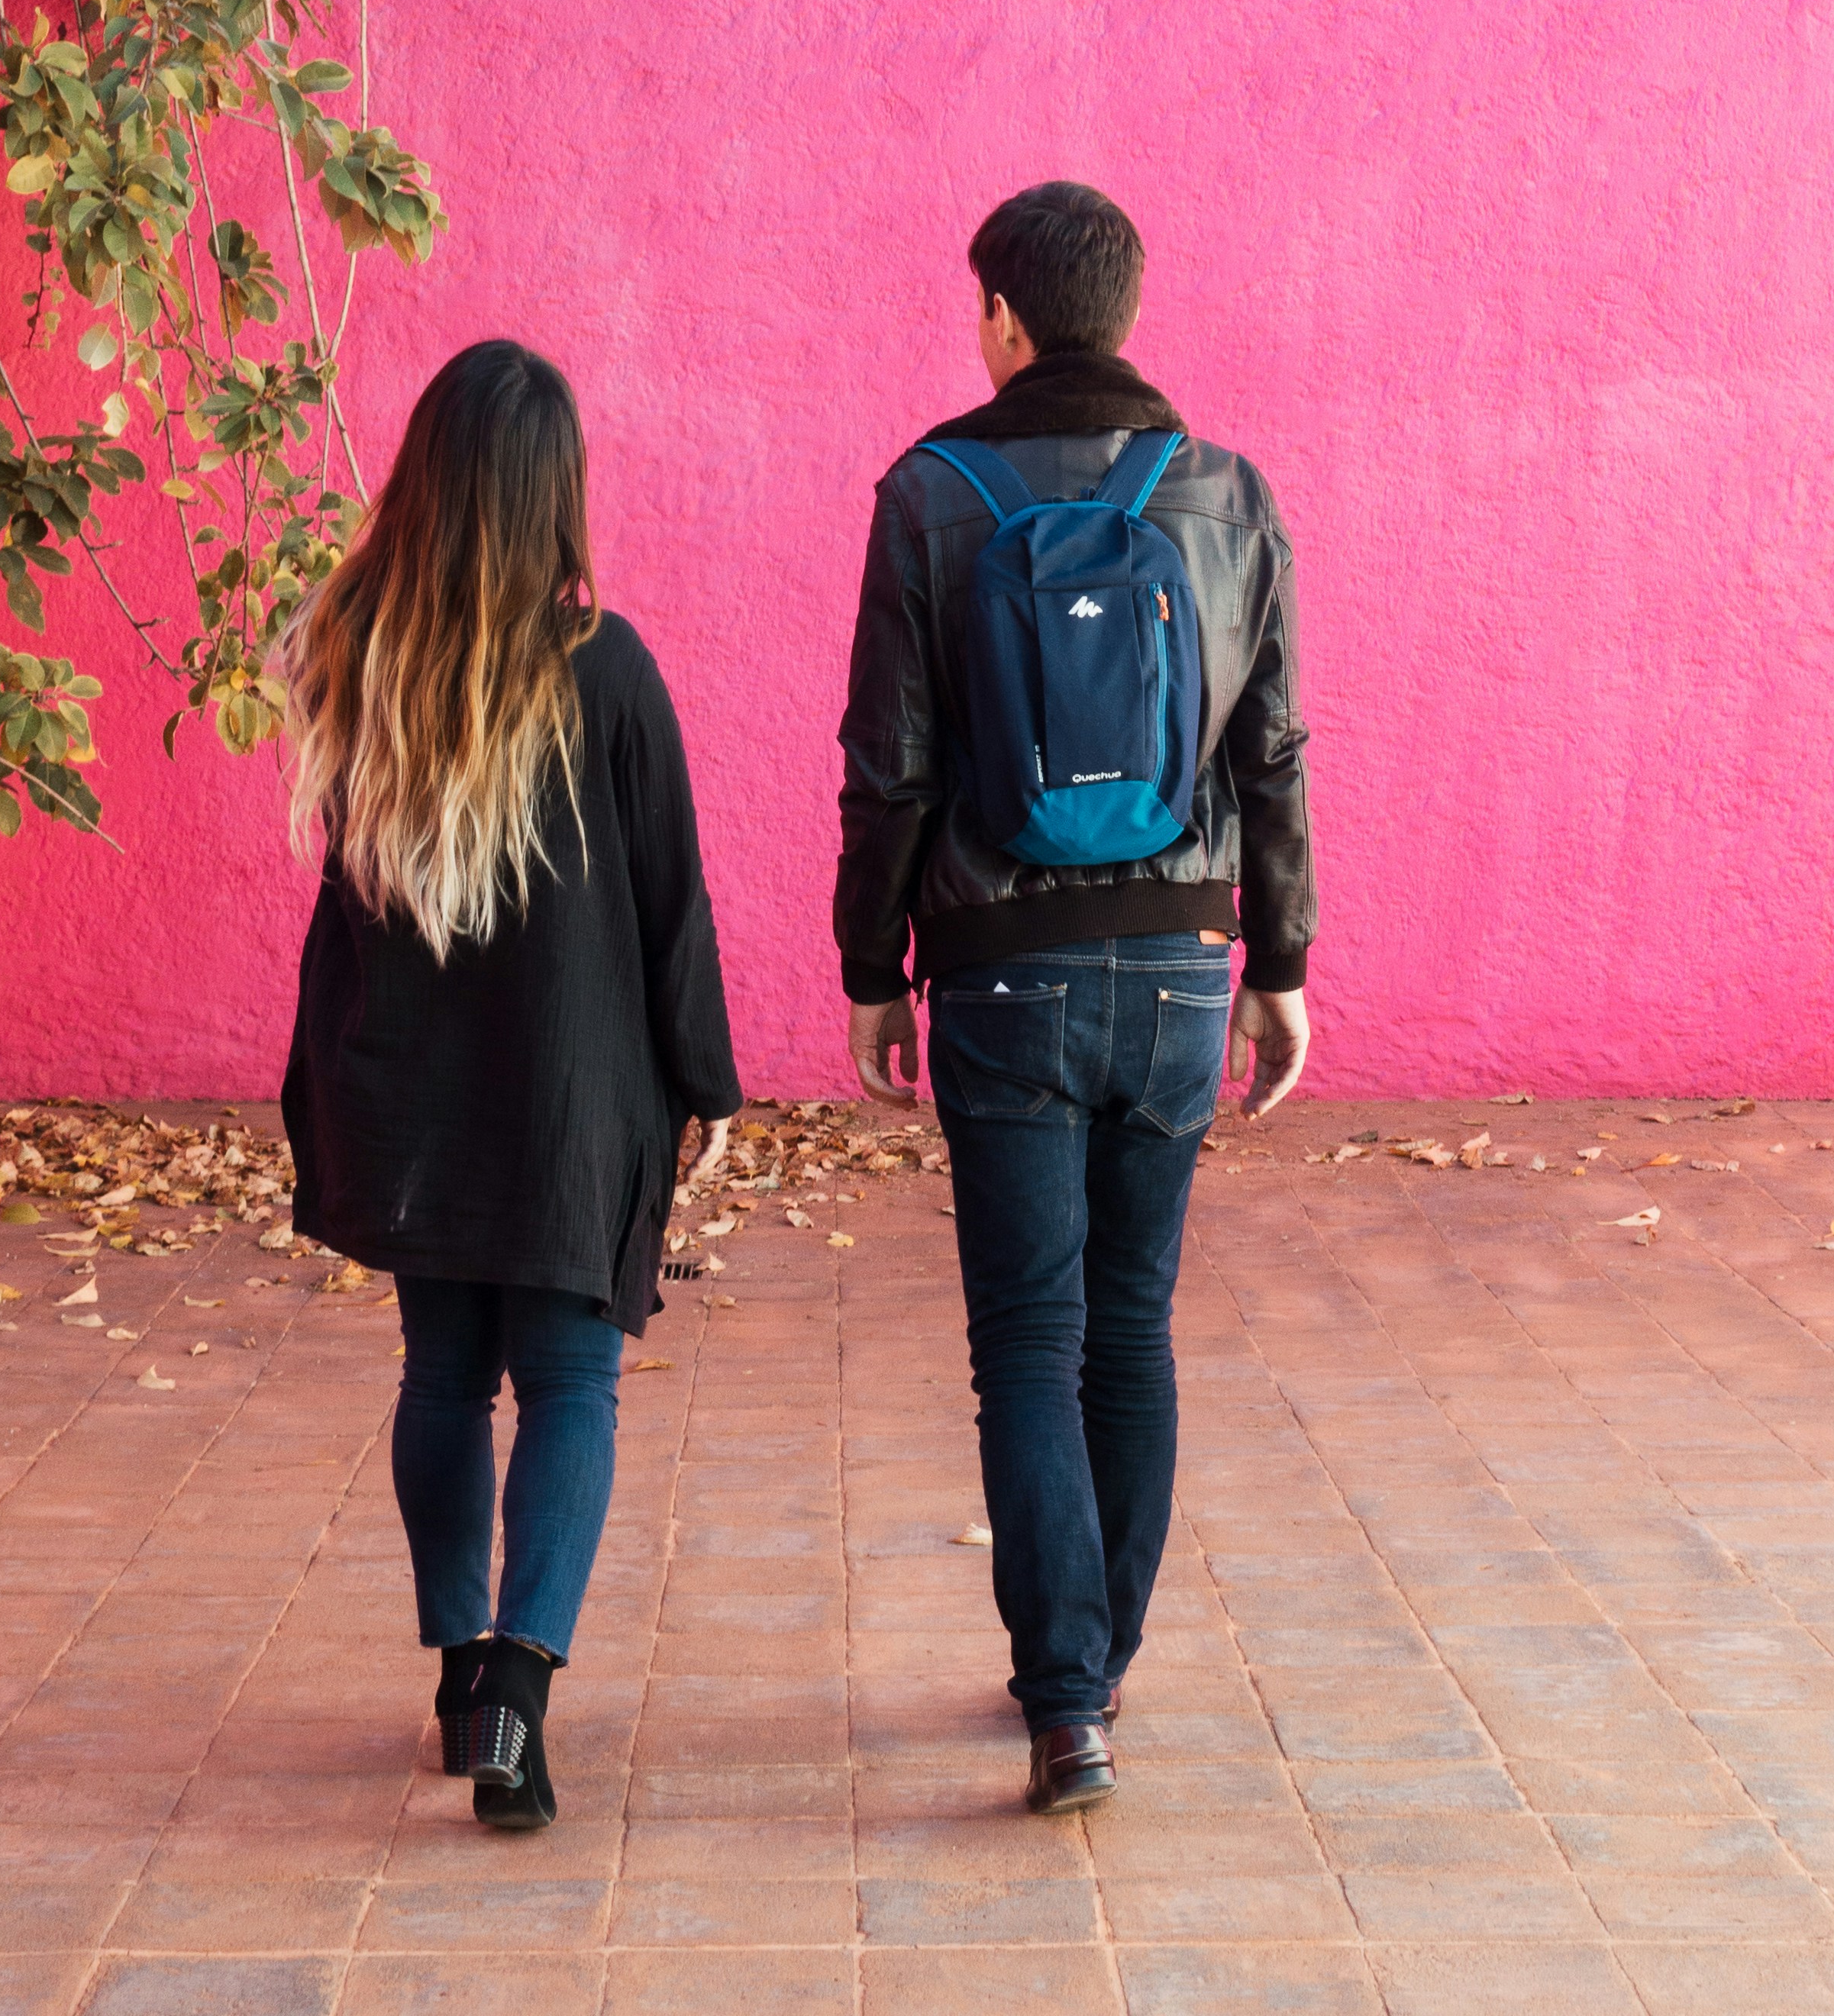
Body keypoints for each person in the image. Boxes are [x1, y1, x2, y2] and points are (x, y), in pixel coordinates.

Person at [837, 181, 1316, 1817]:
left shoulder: (929, 494)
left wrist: (868, 968)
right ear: (1126, 306)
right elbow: (1273, 755)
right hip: (1186, 964)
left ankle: (1064, 1701)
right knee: (1133, 1329)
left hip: (997, 973)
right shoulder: (1229, 497)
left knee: (1027, 1345)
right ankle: (1095, 1669)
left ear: (1003, 318)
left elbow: (886, 768)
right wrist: (1286, 964)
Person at [279, 340, 740, 1830]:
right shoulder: (605, 667)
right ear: (555, 496)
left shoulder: (356, 652)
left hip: (406, 1098)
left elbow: (338, 901)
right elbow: (671, 898)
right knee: (572, 1381)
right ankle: (518, 1705)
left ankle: (458, 1671)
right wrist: (707, 1082)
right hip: (571, 1100)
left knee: (441, 1379)